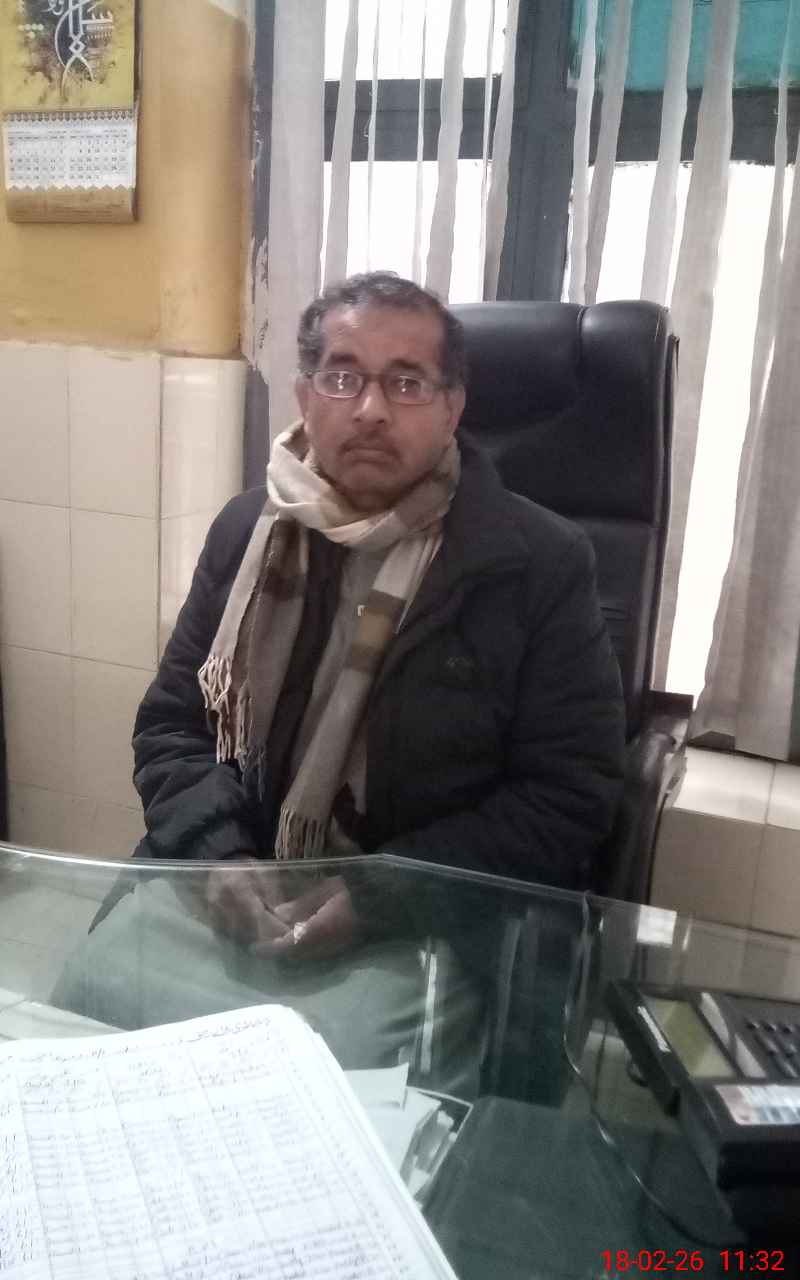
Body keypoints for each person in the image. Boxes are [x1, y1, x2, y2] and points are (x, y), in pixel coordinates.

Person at [128, 271, 625, 959]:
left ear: (452, 408)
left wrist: (381, 900)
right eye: (342, 378)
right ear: (305, 396)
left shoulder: (536, 563)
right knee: (88, 998)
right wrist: (219, 856)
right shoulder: (245, 531)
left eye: (407, 383)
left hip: (421, 922)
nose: (369, 410)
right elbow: (172, 725)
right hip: (229, 884)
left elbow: (568, 794)